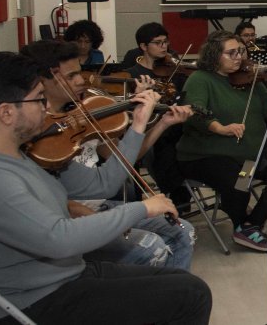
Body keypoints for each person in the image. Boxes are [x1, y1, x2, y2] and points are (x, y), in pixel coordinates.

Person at [0, 53, 212, 325]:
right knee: (192, 295)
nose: (47, 107)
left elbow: (104, 183)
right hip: (34, 300)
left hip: (67, 274)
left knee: (181, 280)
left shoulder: (27, 154)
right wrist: (141, 207)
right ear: (6, 112)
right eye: (38, 99)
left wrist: (139, 124)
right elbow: (60, 239)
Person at [19, 40, 196, 271]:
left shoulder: (84, 111)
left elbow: (123, 160)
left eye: (80, 73)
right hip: (72, 217)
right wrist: (138, 123)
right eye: (71, 76)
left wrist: (161, 123)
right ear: (44, 81)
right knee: (151, 247)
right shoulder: (34, 133)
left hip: (100, 205)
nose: (81, 81)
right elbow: (101, 184)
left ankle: (171, 295)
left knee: (184, 231)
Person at [176, 30, 267, 252]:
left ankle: (251, 224)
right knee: (240, 182)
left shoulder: (250, 79)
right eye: (231, 53)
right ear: (214, 55)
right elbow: (194, 112)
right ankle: (244, 225)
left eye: (241, 51)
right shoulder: (201, 79)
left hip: (247, 156)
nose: (239, 57)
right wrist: (221, 128)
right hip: (208, 155)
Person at [125, 23, 190, 210]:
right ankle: (175, 194)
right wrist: (138, 95)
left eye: (166, 42)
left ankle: (179, 195)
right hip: (150, 130)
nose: (164, 47)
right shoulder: (133, 74)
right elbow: (128, 112)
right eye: (158, 43)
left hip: (176, 126)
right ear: (143, 47)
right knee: (163, 146)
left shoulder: (175, 70)